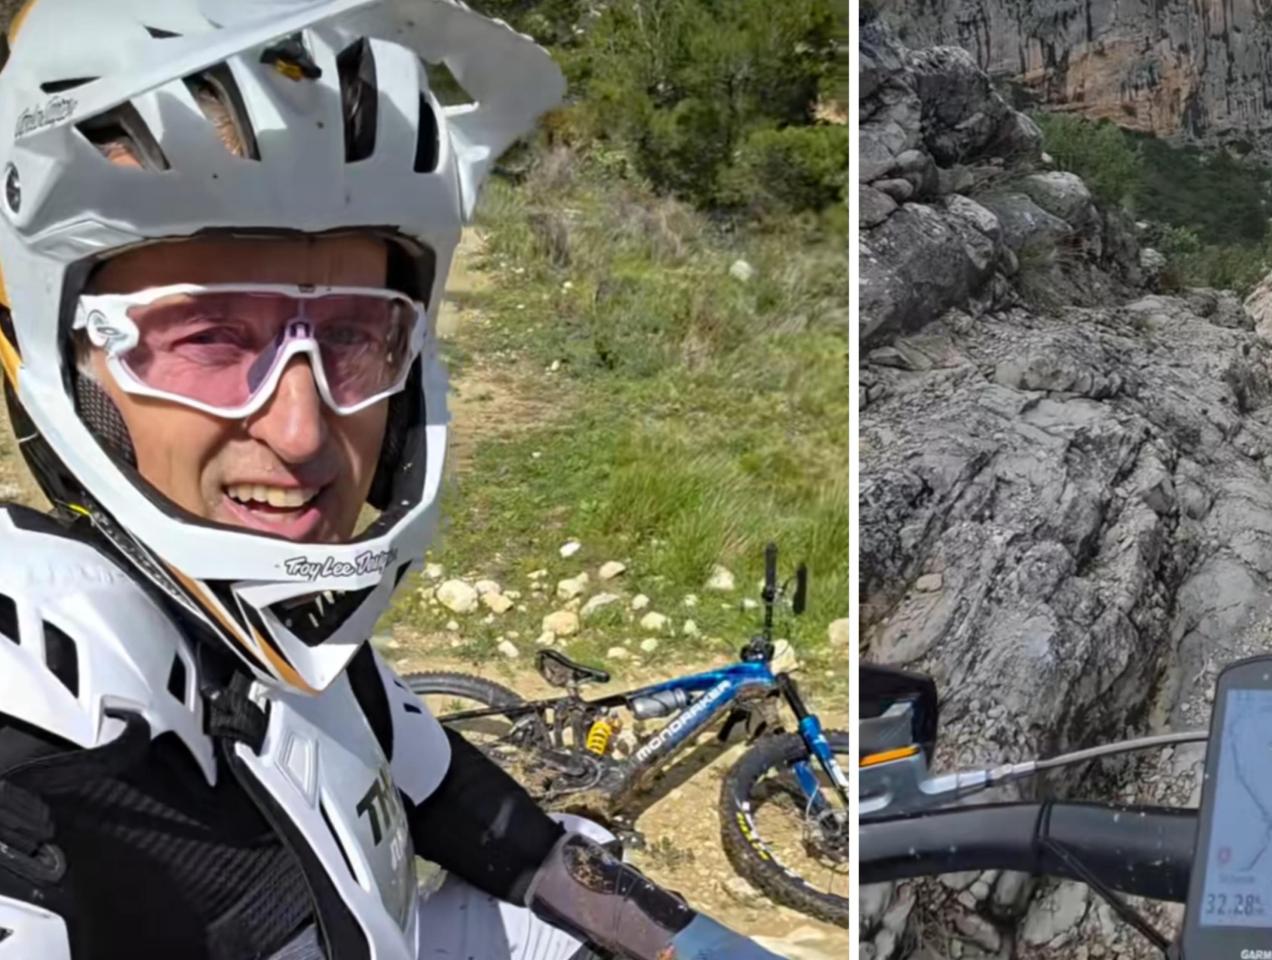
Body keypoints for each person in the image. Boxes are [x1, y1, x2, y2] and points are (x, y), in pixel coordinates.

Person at [0, 2, 781, 958]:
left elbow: (495, 829)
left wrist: (697, 945)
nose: (301, 431)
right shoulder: (36, 702)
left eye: (354, 336)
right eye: (206, 336)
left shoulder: (309, 656)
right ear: (65, 354)